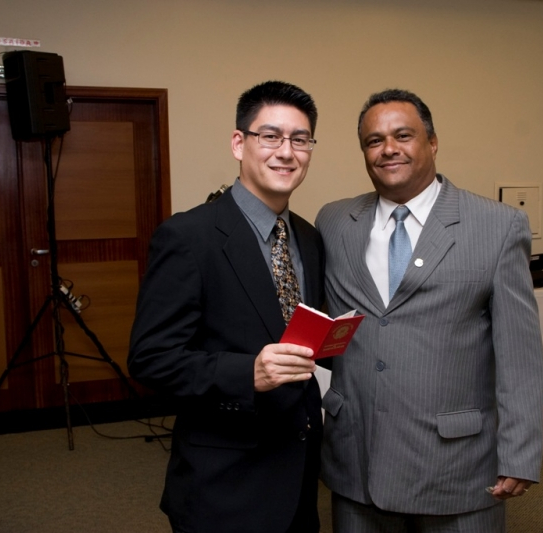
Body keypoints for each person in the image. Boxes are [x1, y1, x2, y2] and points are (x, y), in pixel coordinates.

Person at [315, 89, 543, 533]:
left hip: (455, 464)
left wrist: (520, 452)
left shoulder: (497, 226)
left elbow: (520, 354)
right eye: (374, 140)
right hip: (358, 457)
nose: (388, 149)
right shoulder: (335, 222)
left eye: (403, 135)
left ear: (433, 143)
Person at [128, 80, 325, 533]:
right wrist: (246, 373)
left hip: (297, 477)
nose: (286, 152)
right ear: (239, 143)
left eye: (300, 140)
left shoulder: (309, 237)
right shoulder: (188, 237)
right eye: (270, 136)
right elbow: (150, 359)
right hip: (224, 485)